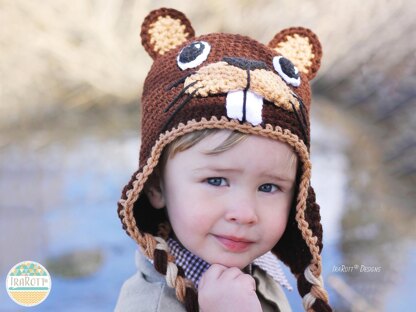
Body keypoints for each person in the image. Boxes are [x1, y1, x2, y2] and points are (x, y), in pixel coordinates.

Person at [116, 7, 332, 312]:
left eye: (269, 187)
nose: (244, 214)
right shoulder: (150, 306)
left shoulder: (258, 270)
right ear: (156, 186)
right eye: (216, 180)